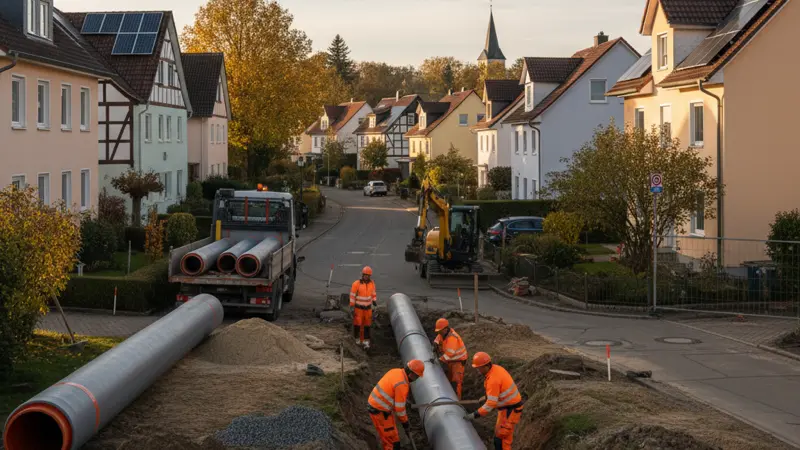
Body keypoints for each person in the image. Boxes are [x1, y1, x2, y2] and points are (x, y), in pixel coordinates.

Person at [465, 352, 524, 450]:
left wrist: (475, 414)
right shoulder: (495, 369)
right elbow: (496, 393)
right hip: (506, 408)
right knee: (501, 438)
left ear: (486, 366)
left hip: (510, 411)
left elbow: (491, 404)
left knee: (501, 440)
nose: (478, 370)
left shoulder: (493, 379)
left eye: (479, 368)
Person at [368, 360, 425, 450]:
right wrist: (405, 423)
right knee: (391, 442)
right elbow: (400, 410)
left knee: (394, 439)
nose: (416, 379)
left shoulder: (396, 371)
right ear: (412, 374)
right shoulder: (402, 384)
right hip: (380, 411)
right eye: (417, 377)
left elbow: (392, 392)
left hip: (381, 408)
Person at [432, 318, 468, 399]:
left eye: (440, 331)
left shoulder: (452, 338)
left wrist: (438, 360)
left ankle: (457, 402)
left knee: (456, 383)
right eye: (438, 331)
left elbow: (449, 354)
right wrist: (436, 342)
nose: (439, 333)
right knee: (448, 381)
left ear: (446, 329)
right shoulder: (443, 334)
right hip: (450, 362)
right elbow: (439, 337)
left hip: (458, 363)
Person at [350, 266, 377, 349]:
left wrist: (374, 302)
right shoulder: (356, 284)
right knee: (357, 324)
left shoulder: (372, 284)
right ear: (362, 275)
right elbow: (352, 296)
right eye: (365, 275)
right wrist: (351, 306)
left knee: (367, 325)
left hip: (368, 309)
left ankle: (366, 342)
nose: (366, 276)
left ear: (370, 276)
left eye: (368, 275)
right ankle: (357, 340)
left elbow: (373, 294)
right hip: (358, 309)